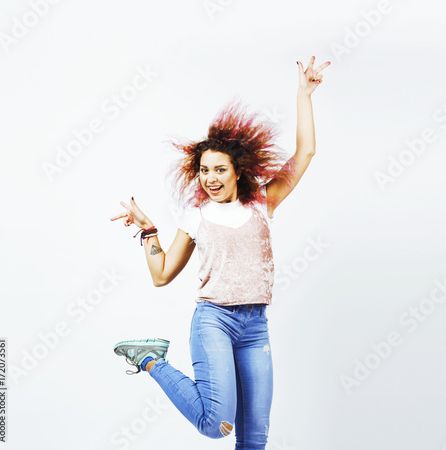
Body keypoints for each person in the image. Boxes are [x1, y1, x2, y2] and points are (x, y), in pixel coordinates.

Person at [109, 55, 330, 449]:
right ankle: (150, 360)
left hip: (255, 325)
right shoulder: (196, 216)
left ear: (239, 170)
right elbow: (161, 275)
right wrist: (148, 230)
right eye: (204, 170)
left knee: (255, 439)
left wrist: (304, 94)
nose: (210, 179)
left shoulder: (263, 202)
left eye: (219, 170)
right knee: (216, 425)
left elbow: (305, 153)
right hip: (214, 321)